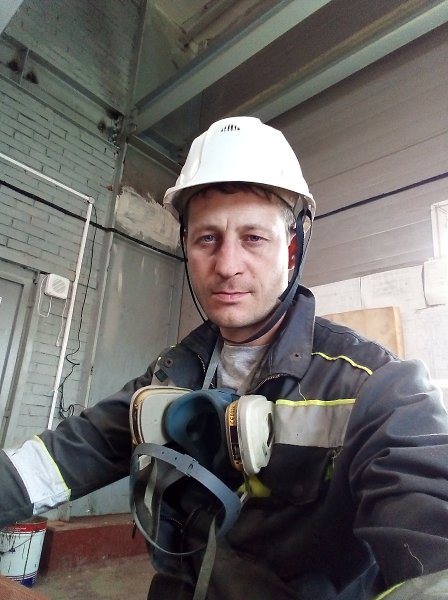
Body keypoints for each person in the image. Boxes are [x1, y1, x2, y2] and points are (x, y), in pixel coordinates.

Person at [1, 116, 448, 600]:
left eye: (253, 238)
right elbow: (53, 461)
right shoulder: (169, 377)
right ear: (186, 248)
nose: (227, 265)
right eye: (207, 238)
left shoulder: (374, 385)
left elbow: (429, 532)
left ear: (291, 250)